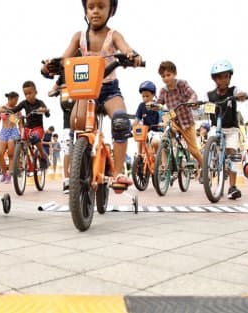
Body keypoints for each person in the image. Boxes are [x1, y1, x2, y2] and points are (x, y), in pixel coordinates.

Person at [41, 0, 142, 187]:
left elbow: (126, 48)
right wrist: (51, 65)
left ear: (111, 10)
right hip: (85, 91)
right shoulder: (78, 36)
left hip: (109, 90)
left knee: (120, 121)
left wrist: (132, 55)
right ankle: (78, 167)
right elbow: (65, 58)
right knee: (75, 124)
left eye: (101, 6)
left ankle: (118, 173)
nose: (95, 11)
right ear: (85, 10)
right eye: (91, 7)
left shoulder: (114, 35)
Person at [206, 60, 248, 199]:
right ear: (214, 79)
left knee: (232, 153)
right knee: (210, 142)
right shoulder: (210, 95)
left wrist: (242, 95)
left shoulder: (233, 91)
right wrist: (195, 105)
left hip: (231, 129)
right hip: (215, 127)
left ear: (230, 77)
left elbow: (240, 93)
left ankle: (232, 187)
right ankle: (212, 162)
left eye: (225, 76)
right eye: (219, 77)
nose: (223, 80)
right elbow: (201, 105)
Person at [155, 60, 203, 182]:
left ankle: (204, 166)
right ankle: (165, 167)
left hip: (186, 122)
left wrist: (191, 101)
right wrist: (153, 105)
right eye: (163, 76)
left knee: (193, 150)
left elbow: (193, 94)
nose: (166, 78)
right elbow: (159, 102)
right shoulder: (163, 91)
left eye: (168, 75)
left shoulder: (182, 84)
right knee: (164, 138)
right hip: (173, 119)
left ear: (174, 73)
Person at [9, 81, 50, 170]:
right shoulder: (24, 103)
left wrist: (45, 111)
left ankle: (43, 157)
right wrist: (7, 112)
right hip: (27, 128)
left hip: (38, 129)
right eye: (25, 94)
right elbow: (15, 109)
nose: (28, 96)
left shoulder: (40, 103)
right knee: (19, 141)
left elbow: (47, 114)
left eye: (30, 93)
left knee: (35, 137)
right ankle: (25, 163)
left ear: (36, 92)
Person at [0, 92, 21, 184]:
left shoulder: (17, 109)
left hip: (13, 131)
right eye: (16, 100)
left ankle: (10, 175)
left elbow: (19, 123)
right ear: (10, 99)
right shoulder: (1, 109)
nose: (17, 102)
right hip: (4, 131)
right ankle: (4, 173)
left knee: (11, 153)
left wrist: (12, 115)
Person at [135, 80, 162, 156]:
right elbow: (137, 119)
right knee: (139, 134)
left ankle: (158, 159)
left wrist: (163, 123)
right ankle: (139, 156)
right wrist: (130, 127)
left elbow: (164, 115)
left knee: (155, 142)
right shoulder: (141, 106)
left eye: (147, 96)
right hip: (146, 131)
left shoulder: (157, 105)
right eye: (143, 96)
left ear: (153, 95)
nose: (145, 99)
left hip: (156, 131)